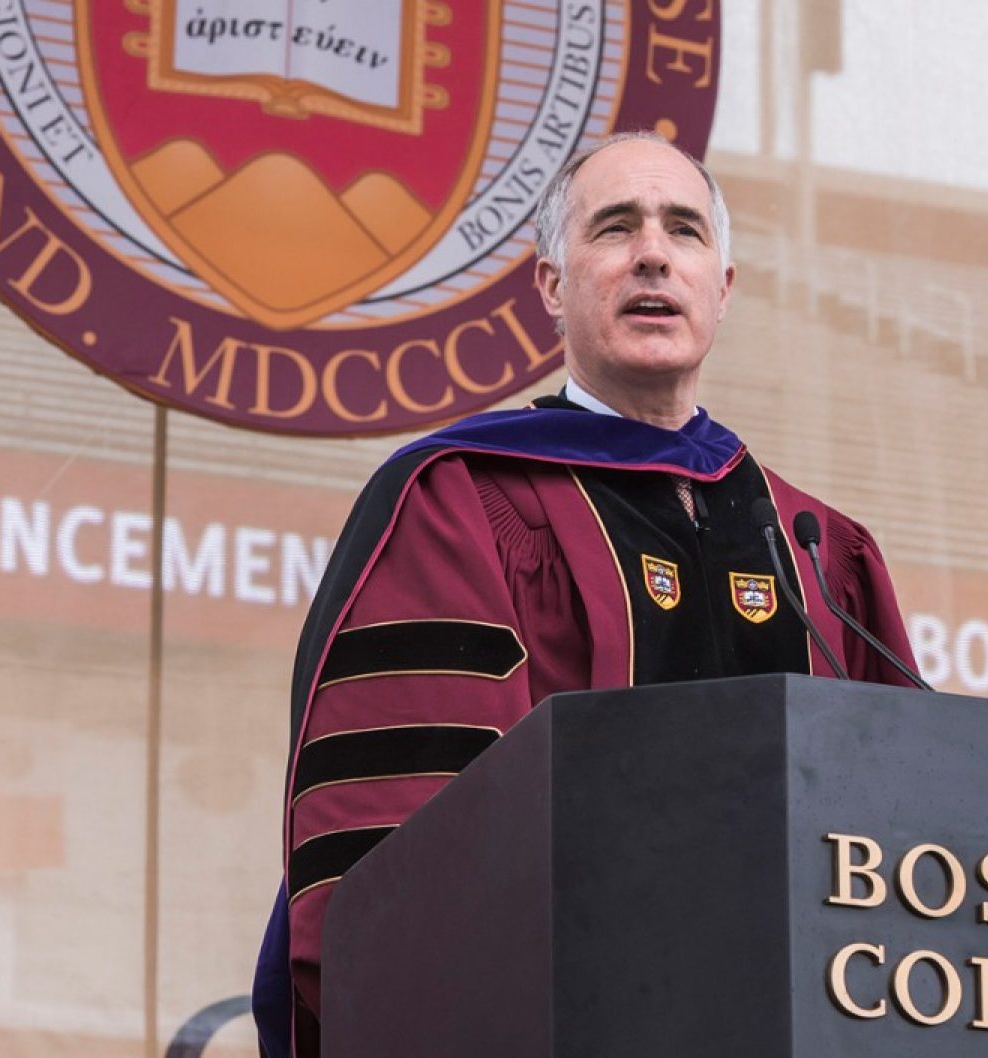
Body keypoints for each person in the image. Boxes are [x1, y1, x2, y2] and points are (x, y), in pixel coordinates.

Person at [252, 131, 921, 1057]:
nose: (653, 250)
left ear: (721, 288)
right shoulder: (461, 499)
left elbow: (904, 863)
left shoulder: (816, 549)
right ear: (554, 288)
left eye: (684, 230)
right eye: (615, 227)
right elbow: (401, 848)